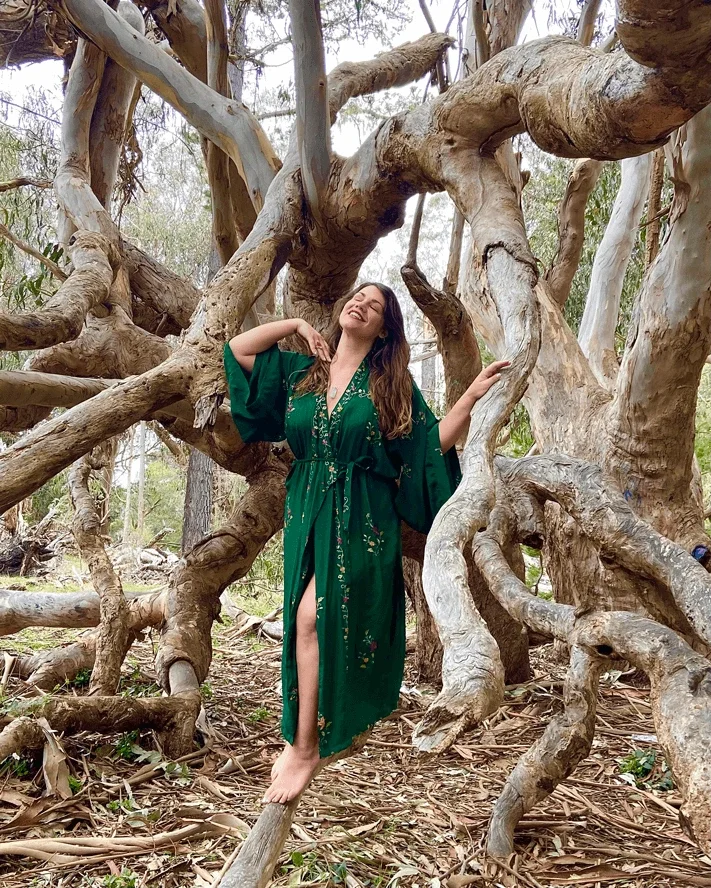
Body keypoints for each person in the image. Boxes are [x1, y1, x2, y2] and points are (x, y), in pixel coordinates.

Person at [224, 282, 508, 804]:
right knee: (299, 621)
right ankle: (299, 737)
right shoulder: (300, 371)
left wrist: (469, 397)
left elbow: (427, 449)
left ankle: (307, 748)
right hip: (306, 507)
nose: (360, 304)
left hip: (363, 518)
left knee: (316, 618)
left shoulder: (389, 385)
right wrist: (293, 326)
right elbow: (239, 350)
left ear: (383, 330)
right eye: (355, 297)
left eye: (374, 306)